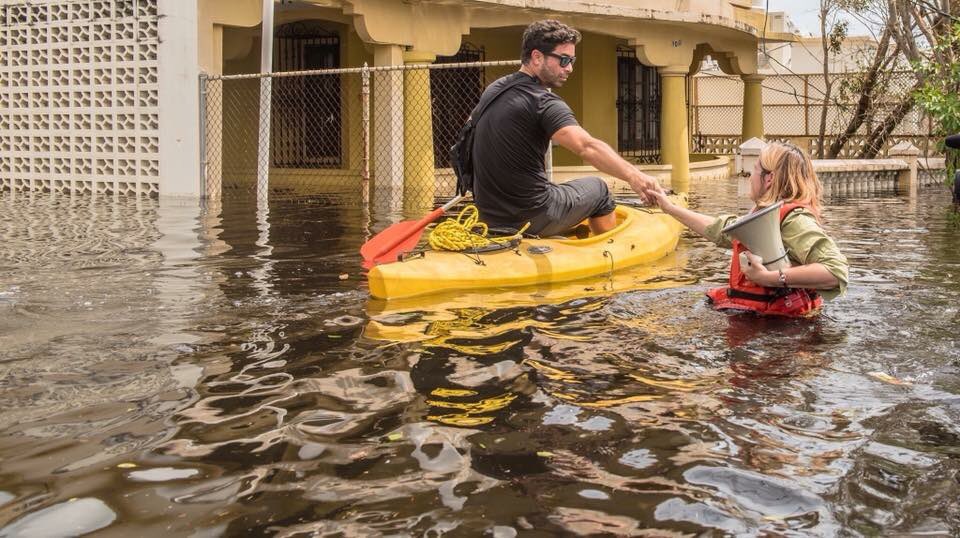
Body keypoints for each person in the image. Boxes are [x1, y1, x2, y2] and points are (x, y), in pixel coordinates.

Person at [471, 19, 661, 237]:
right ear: (536, 57)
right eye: (563, 60)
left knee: (558, 187)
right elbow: (586, 147)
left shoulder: (494, 90)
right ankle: (606, 248)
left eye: (572, 60)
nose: (569, 68)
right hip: (532, 217)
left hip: (488, 217)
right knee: (600, 190)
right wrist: (634, 176)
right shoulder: (543, 102)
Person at [647, 142, 849, 317]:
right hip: (770, 327)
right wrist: (670, 208)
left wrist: (768, 278)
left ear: (769, 179)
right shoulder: (765, 216)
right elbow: (721, 230)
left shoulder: (794, 219)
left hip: (785, 334)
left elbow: (835, 271)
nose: (750, 177)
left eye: (754, 170)